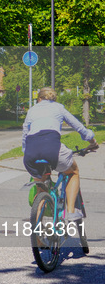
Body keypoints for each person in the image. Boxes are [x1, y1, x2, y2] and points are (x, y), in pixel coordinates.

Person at [22, 87, 99, 220]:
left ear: (39, 99)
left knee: (41, 188)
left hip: (30, 154)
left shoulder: (32, 110)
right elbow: (79, 127)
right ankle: (70, 211)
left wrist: (26, 151)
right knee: (73, 171)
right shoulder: (59, 108)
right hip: (52, 149)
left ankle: (38, 237)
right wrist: (92, 141)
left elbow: (24, 135)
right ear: (53, 98)